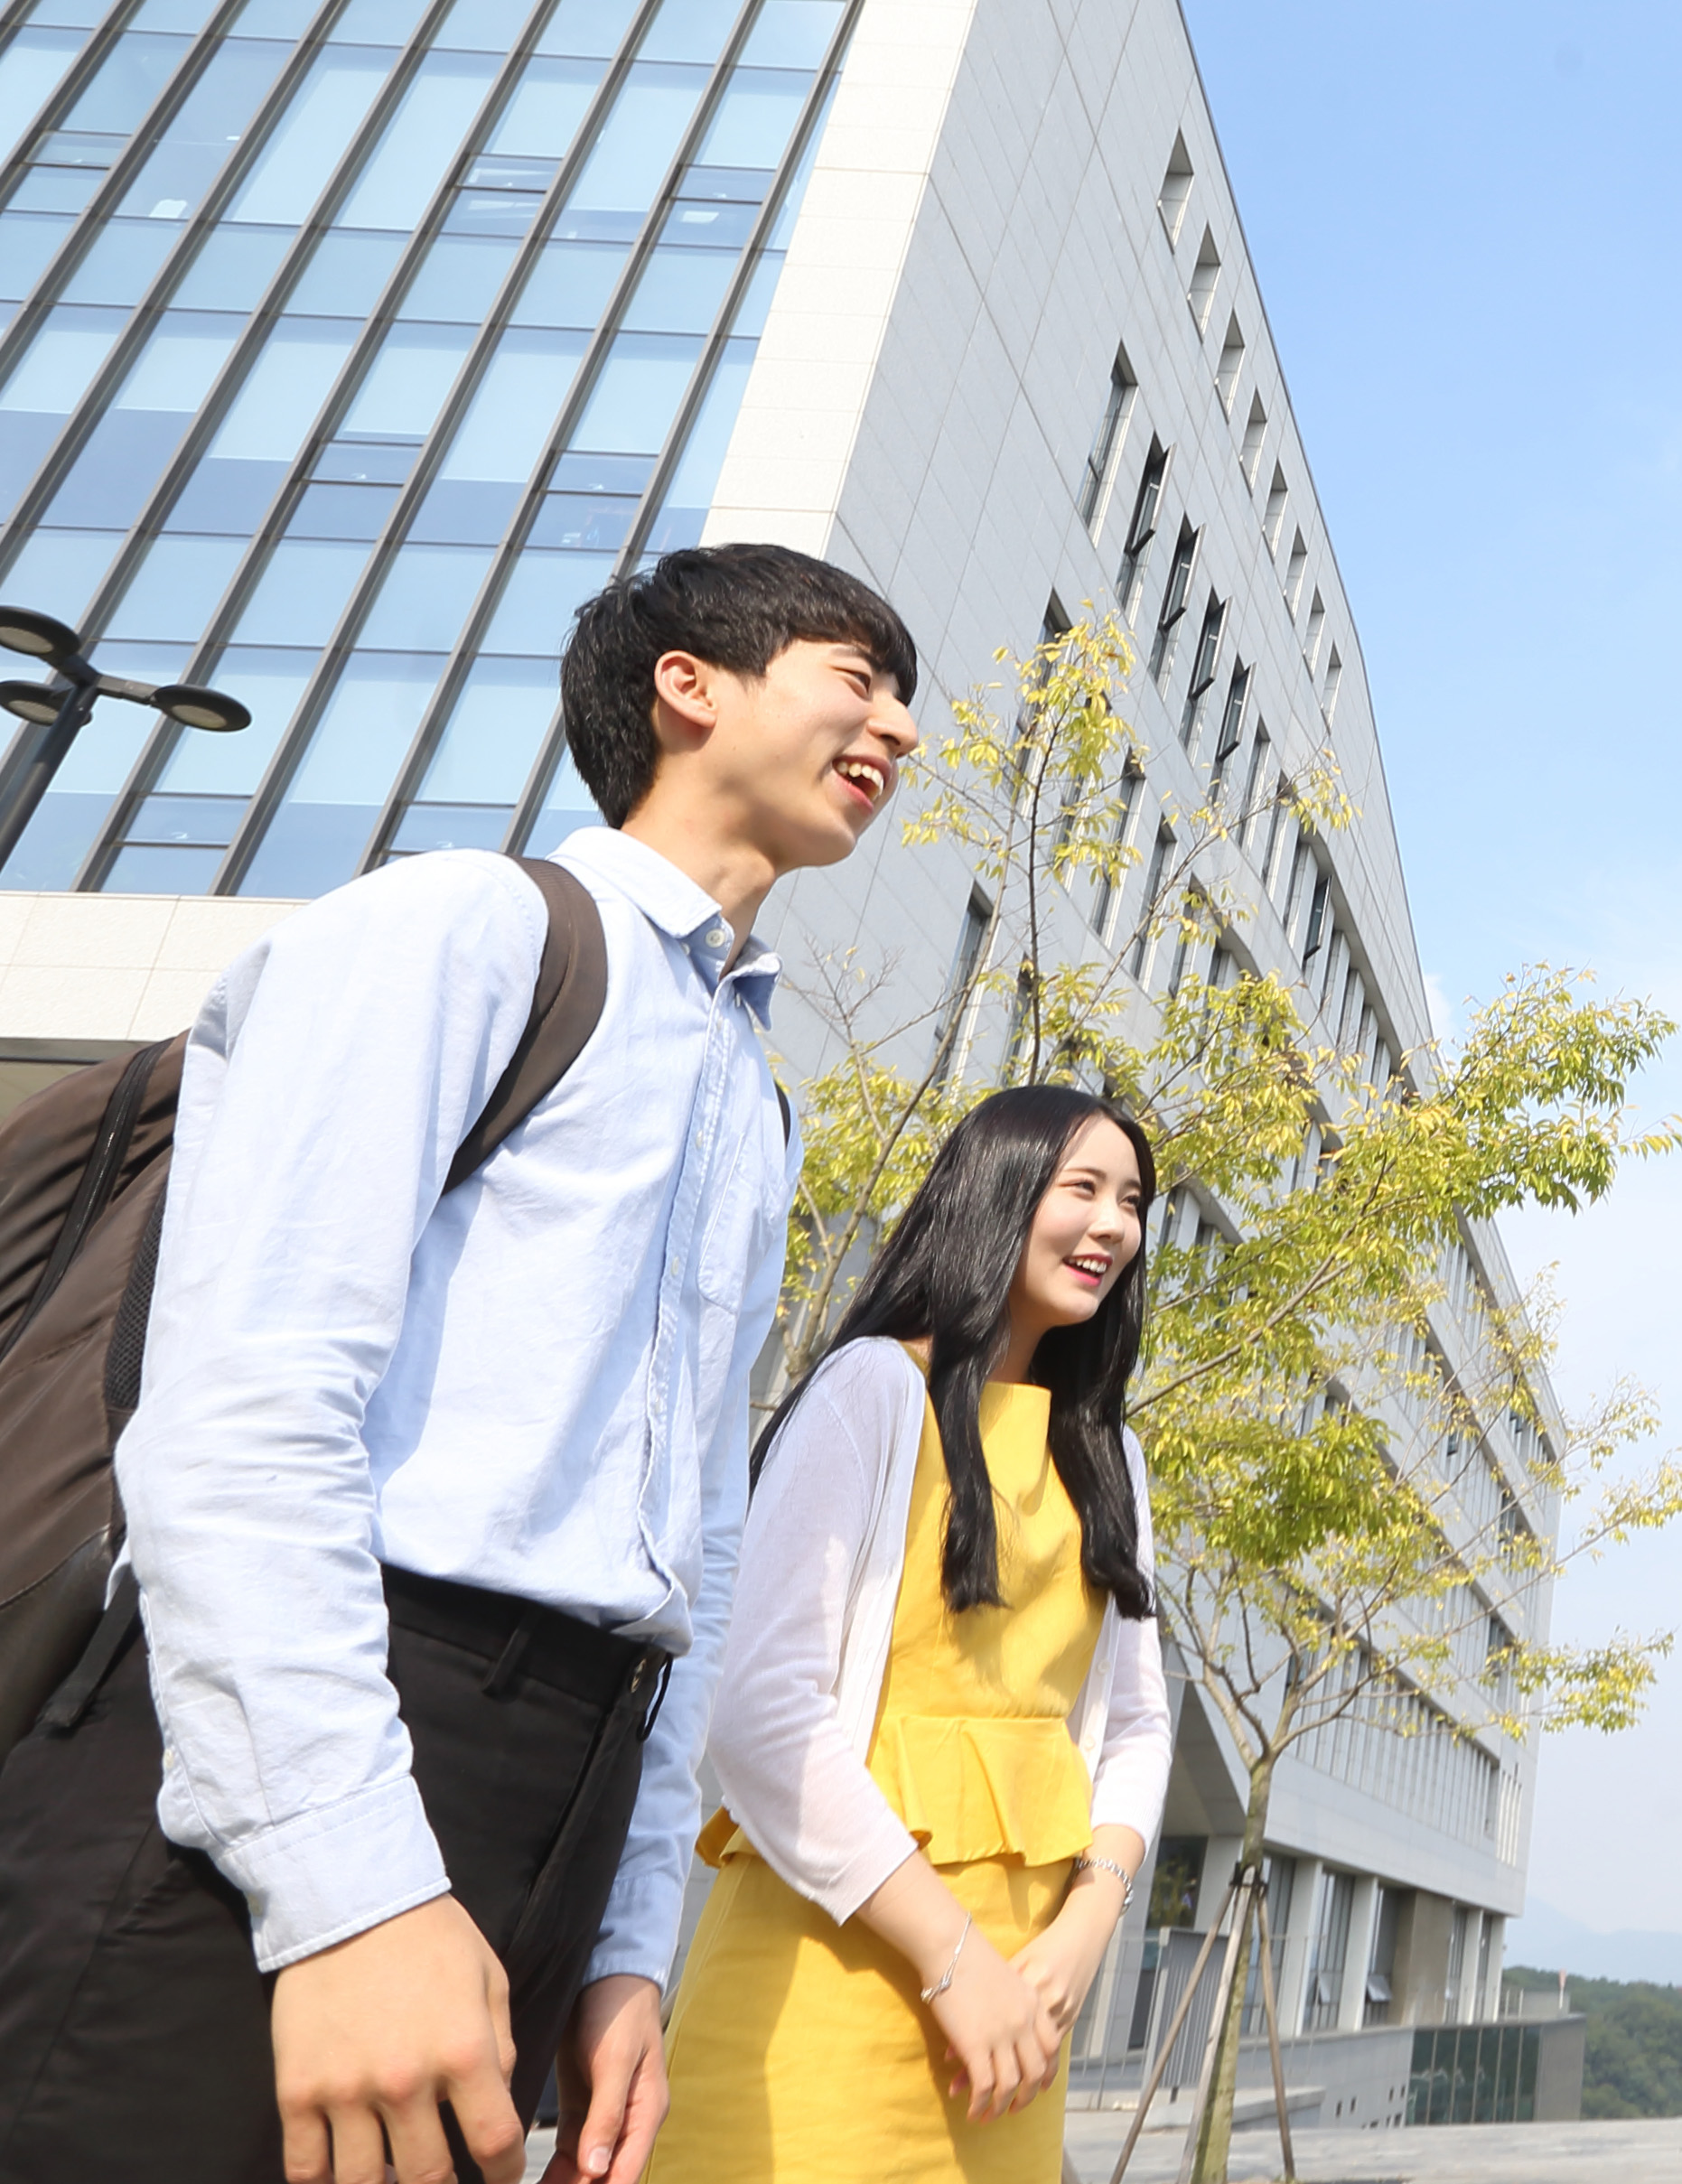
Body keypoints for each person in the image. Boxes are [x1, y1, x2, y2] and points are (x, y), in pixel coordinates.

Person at [0, 542, 920, 2184]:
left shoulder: (756, 1089)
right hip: (295, 1736)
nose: (900, 728)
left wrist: (631, 1932)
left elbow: (696, 1540)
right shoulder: (469, 928)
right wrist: (349, 1882)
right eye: (857, 675)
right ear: (687, 684)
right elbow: (245, 1409)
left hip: (560, 1773)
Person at [652, 1084, 1170, 2183]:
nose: (1114, 1226)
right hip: (832, 1983)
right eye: (1082, 1188)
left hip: (1019, 2020)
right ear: (998, 1190)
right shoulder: (873, 1391)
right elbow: (763, 1712)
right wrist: (952, 1963)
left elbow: (1137, 1727)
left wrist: (1085, 1925)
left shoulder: (1111, 1458)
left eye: (1131, 1201)